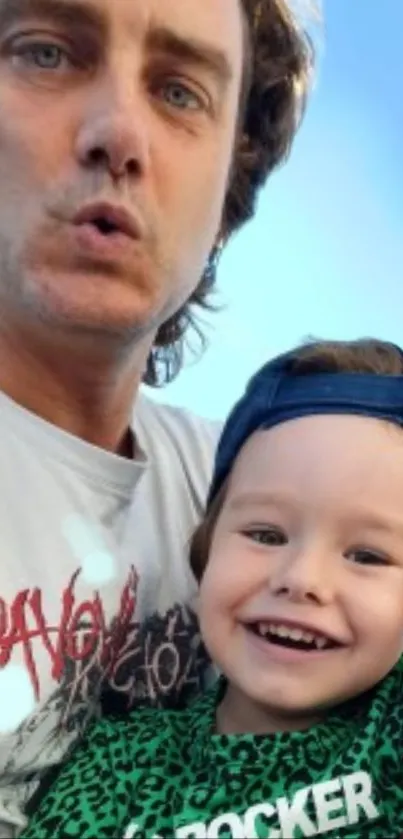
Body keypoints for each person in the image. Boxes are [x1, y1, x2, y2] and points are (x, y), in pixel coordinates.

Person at [0, 0, 315, 834]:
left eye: (179, 93)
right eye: (45, 53)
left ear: (226, 195)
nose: (118, 134)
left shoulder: (257, 494)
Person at [19, 337, 403, 839]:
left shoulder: (387, 738)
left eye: (367, 556)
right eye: (266, 535)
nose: (301, 579)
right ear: (206, 547)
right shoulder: (122, 761)